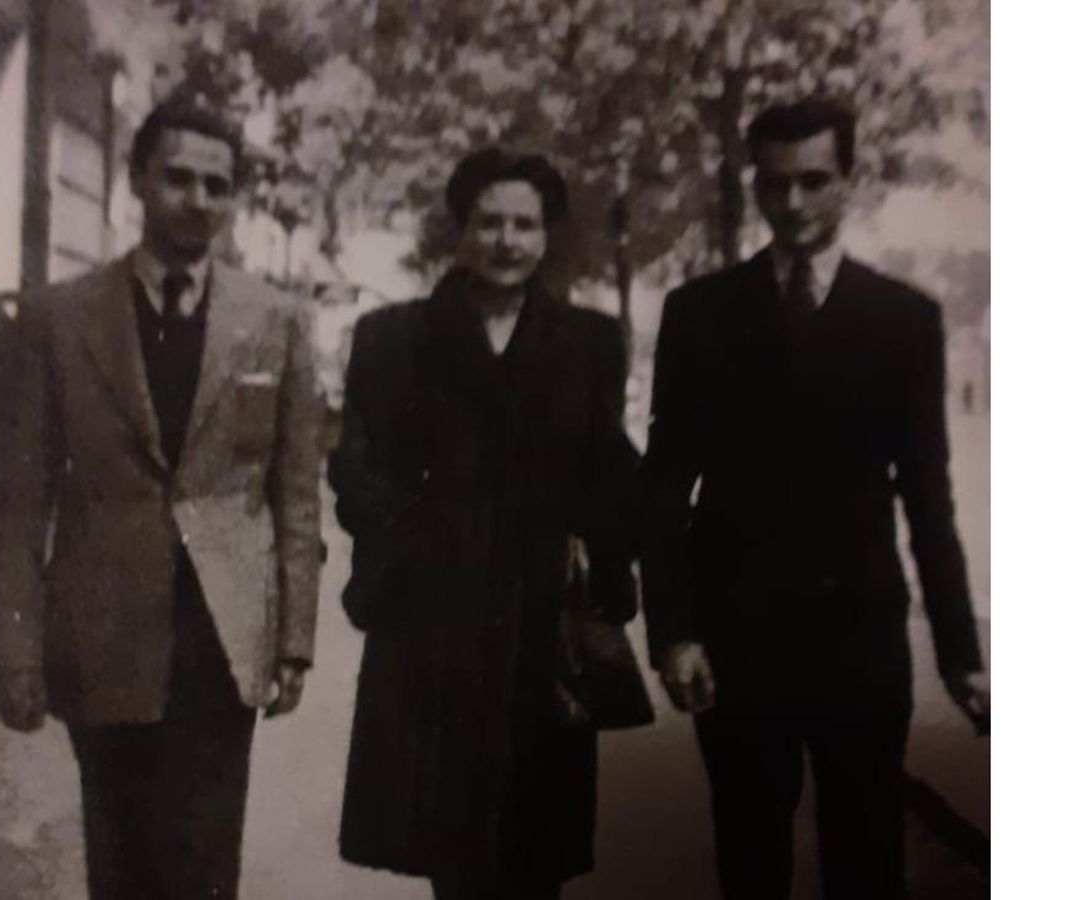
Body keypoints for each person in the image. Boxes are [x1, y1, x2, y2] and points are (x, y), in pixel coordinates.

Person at [641, 98, 991, 900]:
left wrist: (960, 657)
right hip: (736, 642)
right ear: (754, 187)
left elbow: (927, 496)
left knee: (867, 861)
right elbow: (663, 488)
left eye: (814, 181)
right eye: (774, 184)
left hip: (859, 641)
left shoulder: (904, 320)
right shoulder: (700, 314)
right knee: (750, 860)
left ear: (849, 182)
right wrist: (674, 634)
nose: (792, 203)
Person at [0, 97, 323, 900]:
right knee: (120, 854)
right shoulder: (59, 317)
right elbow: (18, 503)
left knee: (205, 865)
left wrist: (294, 639)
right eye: (177, 177)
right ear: (136, 180)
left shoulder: (275, 320)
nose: (198, 200)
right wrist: (13, 648)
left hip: (220, 636)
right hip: (100, 632)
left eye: (218, 184)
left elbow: (296, 495)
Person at [331, 148, 640, 900]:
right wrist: (415, 544)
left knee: (536, 862)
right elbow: (354, 471)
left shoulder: (589, 343)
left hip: (541, 637)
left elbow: (609, 477)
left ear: (547, 235)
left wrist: (609, 583)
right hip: (433, 636)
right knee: (456, 864)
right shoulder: (392, 338)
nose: (507, 241)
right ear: (461, 229)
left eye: (525, 225)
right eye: (490, 222)